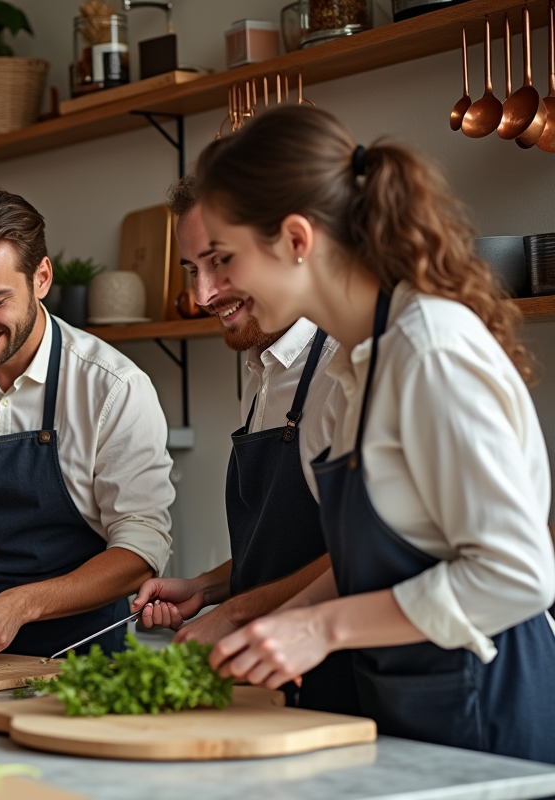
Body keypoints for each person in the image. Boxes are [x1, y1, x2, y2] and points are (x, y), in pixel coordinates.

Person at [198, 105, 555, 763]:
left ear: (296, 240)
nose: (207, 290)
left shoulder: (430, 353)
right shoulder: (355, 363)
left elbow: (519, 576)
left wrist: (320, 627)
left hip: (490, 727)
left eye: (223, 259)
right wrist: (274, 626)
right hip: (410, 717)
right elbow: (377, 559)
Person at [0, 187, 176, 663]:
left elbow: (141, 548)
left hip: (88, 655)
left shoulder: (114, 387)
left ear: (41, 277)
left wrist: (20, 606)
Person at [130, 176, 356, 714]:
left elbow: (367, 555)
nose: (202, 294)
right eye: (192, 271)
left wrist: (232, 615)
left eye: (219, 263)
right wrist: (206, 590)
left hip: (350, 677)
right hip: (278, 680)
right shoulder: (262, 366)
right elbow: (288, 546)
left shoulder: (346, 368)